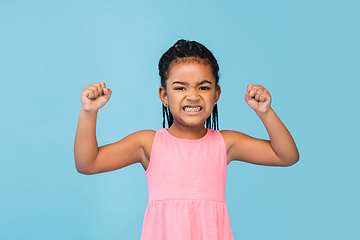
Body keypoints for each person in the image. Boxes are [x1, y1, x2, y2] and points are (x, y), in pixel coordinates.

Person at [74, 39, 299, 240]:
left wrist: (265, 112)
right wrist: (88, 113)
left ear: (216, 95)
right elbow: (88, 163)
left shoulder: (225, 143)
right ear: (164, 95)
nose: (193, 95)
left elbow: (286, 156)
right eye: (180, 87)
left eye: (203, 87)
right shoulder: (148, 144)